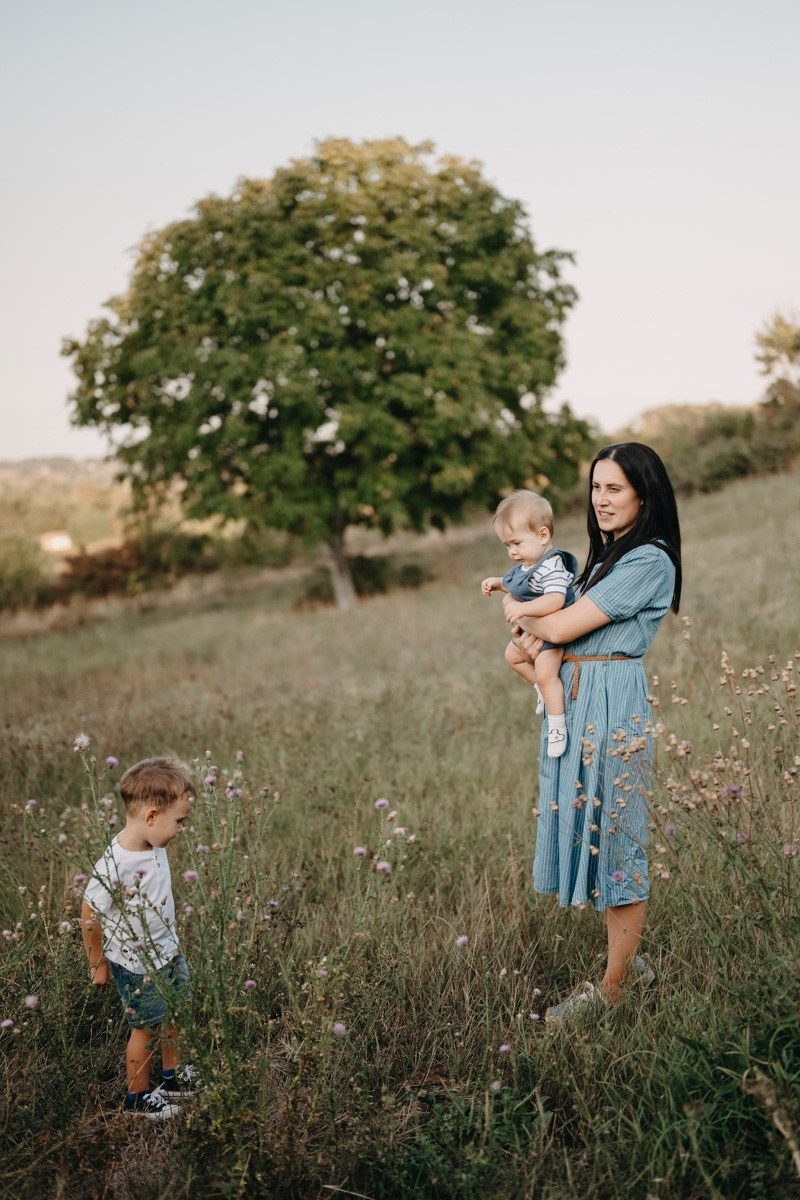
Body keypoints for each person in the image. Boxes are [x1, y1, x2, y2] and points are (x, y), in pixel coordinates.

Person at [506, 443, 681, 1027]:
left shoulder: (649, 561)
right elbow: (554, 628)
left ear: (643, 493)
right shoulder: (603, 558)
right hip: (580, 701)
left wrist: (517, 611)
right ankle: (631, 967)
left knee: (618, 836)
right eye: (595, 487)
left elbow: (556, 623)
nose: (600, 500)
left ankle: (612, 991)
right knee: (592, 828)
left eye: (614, 488)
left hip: (611, 705)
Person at [81, 757, 198, 1118]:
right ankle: (137, 1098)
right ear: (150, 816)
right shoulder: (117, 864)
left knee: (177, 1010)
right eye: (178, 821)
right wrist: (98, 964)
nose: (181, 829)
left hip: (168, 951)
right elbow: (89, 915)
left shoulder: (153, 843)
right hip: (137, 964)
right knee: (145, 1028)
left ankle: (172, 1076)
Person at [482, 490, 578, 757]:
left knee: (548, 676)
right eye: (507, 546)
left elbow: (555, 600)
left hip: (552, 635)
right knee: (512, 657)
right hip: (532, 631)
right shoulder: (527, 563)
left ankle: (557, 725)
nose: (512, 552)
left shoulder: (552, 565)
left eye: (516, 543)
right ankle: (539, 689)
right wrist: (497, 583)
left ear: (543, 535)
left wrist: (523, 609)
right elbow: (515, 585)